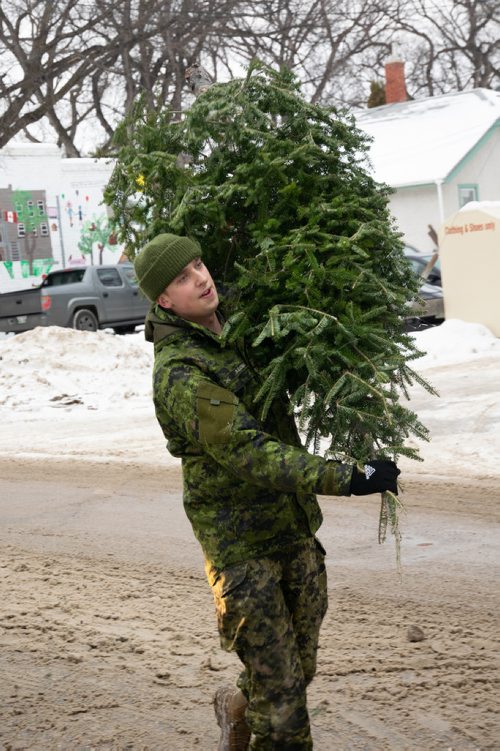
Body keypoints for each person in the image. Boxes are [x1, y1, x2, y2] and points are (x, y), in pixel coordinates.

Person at [134, 233, 400, 751]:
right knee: (284, 713)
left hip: (292, 526)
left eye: (198, 263)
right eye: (182, 278)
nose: (200, 278)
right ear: (163, 300)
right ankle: (258, 717)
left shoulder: (248, 326)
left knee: (298, 668)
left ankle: (237, 705)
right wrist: (346, 477)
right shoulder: (179, 372)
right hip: (240, 550)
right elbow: (246, 450)